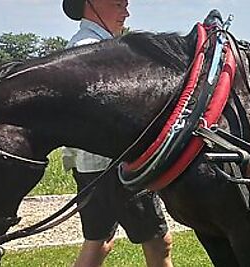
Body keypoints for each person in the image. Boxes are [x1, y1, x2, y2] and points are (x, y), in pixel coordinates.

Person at [61, 1, 173, 266]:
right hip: (115, 164)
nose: (126, 12)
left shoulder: (86, 45)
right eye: (118, 4)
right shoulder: (93, 50)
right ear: (93, 4)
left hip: (92, 166)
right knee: (159, 242)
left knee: (99, 242)